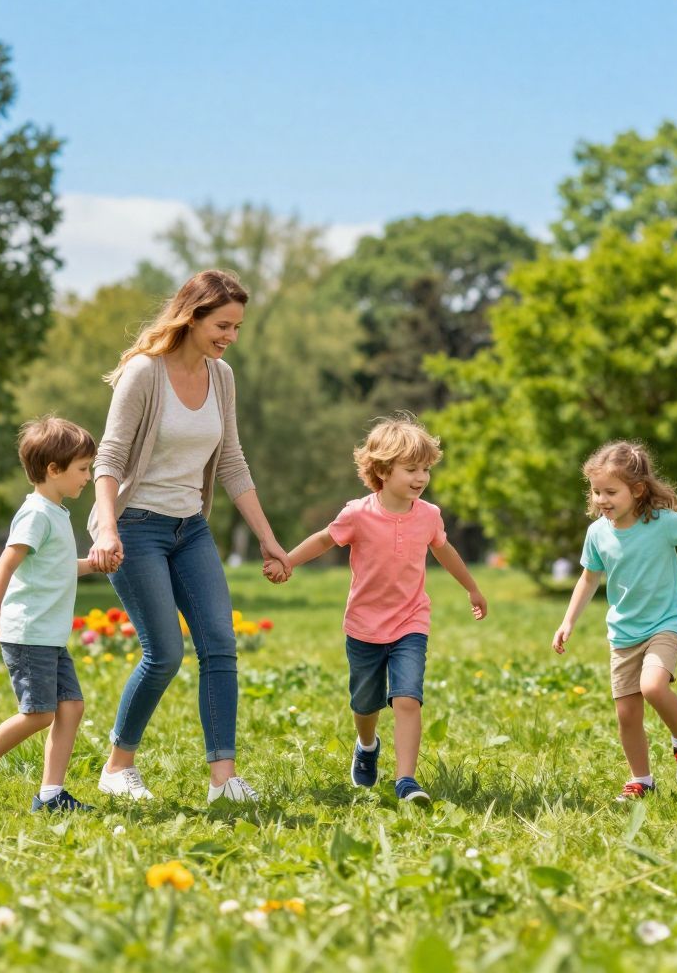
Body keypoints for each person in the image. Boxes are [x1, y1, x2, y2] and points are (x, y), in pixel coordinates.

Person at [87, 269, 292, 806]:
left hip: (190, 528)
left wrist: (268, 540)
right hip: (134, 527)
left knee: (221, 647)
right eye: (223, 324)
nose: (231, 336)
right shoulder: (143, 374)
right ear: (192, 315)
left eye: (238, 327)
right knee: (165, 653)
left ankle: (223, 780)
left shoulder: (221, 377)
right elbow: (107, 458)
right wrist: (107, 527)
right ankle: (117, 766)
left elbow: (232, 462)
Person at [279, 414, 486, 804]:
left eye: (425, 468)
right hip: (364, 626)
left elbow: (445, 551)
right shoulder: (358, 513)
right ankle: (367, 745)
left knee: (407, 697)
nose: (421, 477)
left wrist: (472, 588)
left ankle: (405, 780)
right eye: (411, 469)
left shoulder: (429, 515)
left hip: (411, 621)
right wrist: (288, 561)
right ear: (382, 470)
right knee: (365, 703)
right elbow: (325, 540)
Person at [551, 441, 677, 800]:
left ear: (638, 490)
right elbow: (588, 578)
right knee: (627, 714)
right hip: (623, 633)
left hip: (664, 623)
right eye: (596, 491)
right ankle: (641, 779)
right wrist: (568, 621)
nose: (601, 499)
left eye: (610, 491)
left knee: (653, 686)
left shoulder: (662, 523)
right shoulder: (597, 533)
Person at [0, 416, 102, 812]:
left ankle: (51, 795)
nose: (88, 477)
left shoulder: (55, 512)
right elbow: (5, 564)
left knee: (71, 707)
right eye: (83, 469)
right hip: (29, 633)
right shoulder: (36, 513)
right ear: (53, 470)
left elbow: (56, 566)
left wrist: (93, 565)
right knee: (38, 714)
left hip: (49, 636)